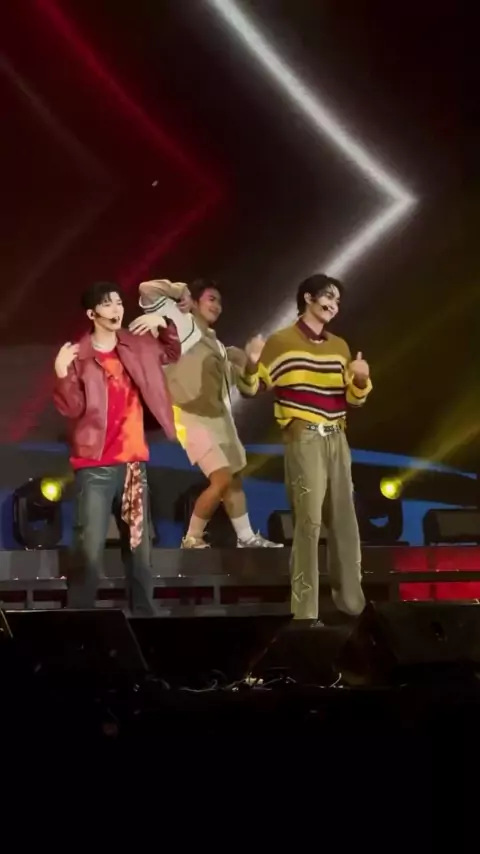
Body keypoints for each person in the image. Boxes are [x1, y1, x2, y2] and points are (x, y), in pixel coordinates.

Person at [238, 274, 372, 622]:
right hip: (305, 437)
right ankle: (305, 612)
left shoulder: (339, 346)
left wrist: (360, 379)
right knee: (308, 524)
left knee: (345, 522)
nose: (333, 305)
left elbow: (353, 400)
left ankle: (353, 606)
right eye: (327, 297)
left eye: (337, 300)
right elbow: (251, 389)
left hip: (337, 438)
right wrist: (251, 362)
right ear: (308, 298)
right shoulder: (281, 342)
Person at [53, 280, 180, 613]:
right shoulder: (79, 356)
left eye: (119, 303)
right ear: (92, 313)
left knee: (139, 550)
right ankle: (80, 622)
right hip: (94, 467)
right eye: (108, 304)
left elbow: (171, 353)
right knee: (88, 551)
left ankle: (144, 620)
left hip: (132, 465)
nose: (116, 310)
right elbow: (72, 409)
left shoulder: (136, 345)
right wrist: (62, 373)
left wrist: (163, 324)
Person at [129, 277, 282, 549]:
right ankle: (192, 537)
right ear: (195, 302)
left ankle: (246, 537)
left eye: (220, 302)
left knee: (233, 482)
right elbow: (147, 289)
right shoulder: (180, 324)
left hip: (222, 421)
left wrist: (252, 363)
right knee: (221, 478)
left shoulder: (222, 349)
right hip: (191, 418)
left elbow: (250, 388)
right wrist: (181, 291)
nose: (217, 306)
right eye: (211, 299)